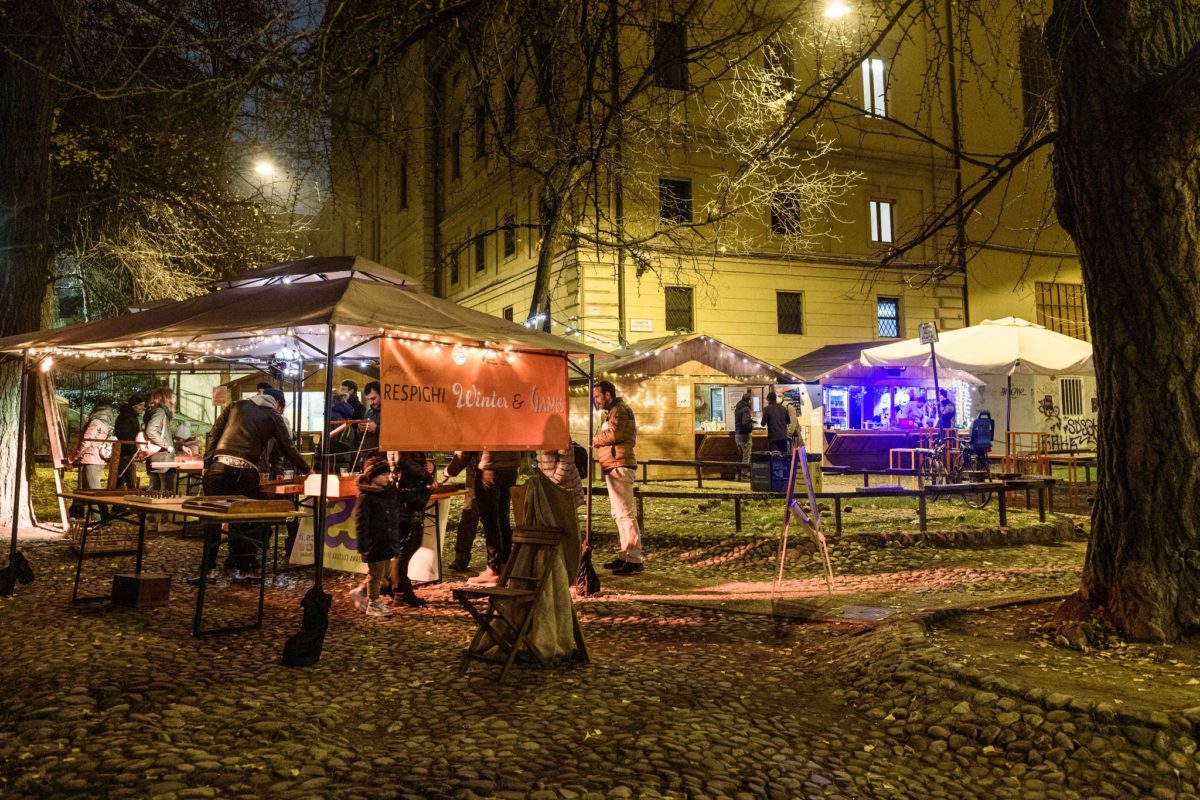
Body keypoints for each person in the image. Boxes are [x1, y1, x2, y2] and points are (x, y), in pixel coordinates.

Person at [201, 387, 310, 580]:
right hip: (246, 470)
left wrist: (207, 462)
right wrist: (309, 470)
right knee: (242, 520)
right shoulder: (274, 416)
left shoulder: (235, 406)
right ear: (278, 405)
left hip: (218, 469)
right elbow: (288, 448)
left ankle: (207, 570)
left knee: (212, 519)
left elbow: (214, 433)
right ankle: (243, 569)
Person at [446, 448, 521, 586]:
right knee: (502, 518)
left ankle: (493, 570)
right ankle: (505, 567)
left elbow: (467, 447)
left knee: (490, 520)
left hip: (489, 466)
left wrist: (450, 471)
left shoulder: (482, 424)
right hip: (511, 465)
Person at [593, 380, 643, 576]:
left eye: (597, 396)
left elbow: (615, 434)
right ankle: (625, 554)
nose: (595, 400)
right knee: (618, 513)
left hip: (619, 465)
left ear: (608, 395)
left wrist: (594, 440)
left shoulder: (620, 410)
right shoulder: (614, 411)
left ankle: (634, 559)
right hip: (613, 464)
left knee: (624, 512)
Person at [348, 454, 401, 617]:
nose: (387, 477)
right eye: (383, 475)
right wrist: (364, 546)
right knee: (376, 574)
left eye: (388, 474)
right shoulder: (366, 498)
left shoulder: (388, 493)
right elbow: (361, 524)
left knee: (384, 575)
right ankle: (374, 603)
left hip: (387, 541)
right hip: (375, 543)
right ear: (372, 477)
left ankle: (361, 591)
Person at [387, 449, 435, 607]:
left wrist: (429, 467)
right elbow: (403, 461)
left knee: (410, 543)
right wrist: (427, 476)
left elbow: (413, 462)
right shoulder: (402, 437)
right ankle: (400, 591)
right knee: (406, 545)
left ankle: (390, 585)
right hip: (407, 497)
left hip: (410, 496)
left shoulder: (409, 436)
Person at [68, 401, 115, 522]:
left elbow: (86, 442)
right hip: (97, 459)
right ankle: (75, 512)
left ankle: (99, 519)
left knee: (94, 491)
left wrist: (73, 457)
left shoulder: (95, 423)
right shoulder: (105, 425)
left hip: (91, 459)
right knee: (88, 490)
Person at [142, 388, 178, 531]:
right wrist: (168, 446)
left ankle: (150, 521)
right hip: (163, 457)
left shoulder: (155, 411)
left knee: (154, 488)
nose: (175, 399)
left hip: (155, 456)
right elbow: (151, 431)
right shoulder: (160, 412)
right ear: (167, 398)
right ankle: (164, 522)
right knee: (166, 490)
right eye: (174, 396)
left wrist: (178, 445)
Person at [446, 451, 480, 573]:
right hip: (504, 470)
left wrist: (449, 471)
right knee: (498, 518)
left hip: (481, 472)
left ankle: (461, 559)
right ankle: (501, 562)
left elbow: (464, 453)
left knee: (469, 516)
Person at [114, 394, 145, 489]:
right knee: (123, 476)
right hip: (125, 451)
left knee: (127, 475)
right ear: (134, 405)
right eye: (140, 405)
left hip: (129, 451)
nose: (142, 408)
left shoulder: (132, 416)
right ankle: (119, 500)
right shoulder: (126, 417)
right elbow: (124, 435)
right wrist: (133, 449)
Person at [733, 390, 754, 478]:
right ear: (748, 400)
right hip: (744, 435)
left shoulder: (738, 408)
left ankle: (737, 474)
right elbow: (745, 422)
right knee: (746, 455)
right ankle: (744, 474)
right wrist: (751, 427)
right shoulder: (746, 409)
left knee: (740, 455)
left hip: (737, 434)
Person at [360, 380, 382, 462]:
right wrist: (361, 430)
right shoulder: (368, 413)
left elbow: (396, 434)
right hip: (368, 457)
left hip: (383, 458)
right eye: (368, 399)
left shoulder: (390, 412)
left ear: (382, 394)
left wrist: (376, 428)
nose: (371, 403)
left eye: (373, 398)